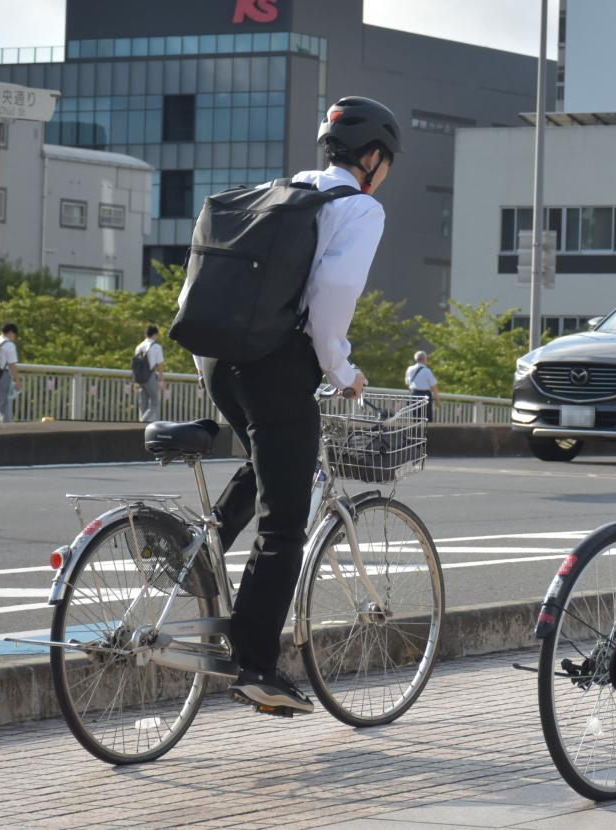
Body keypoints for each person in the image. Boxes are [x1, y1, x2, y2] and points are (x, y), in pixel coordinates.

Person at [188, 96, 398, 714]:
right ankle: (253, 665)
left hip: (216, 358)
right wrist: (345, 371)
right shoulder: (359, 207)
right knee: (286, 524)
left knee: (269, 461)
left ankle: (195, 555)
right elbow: (332, 296)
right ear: (373, 157)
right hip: (274, 365)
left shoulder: (283, 190)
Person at [134, 324, 166, 423]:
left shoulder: (139, 347)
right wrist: (161, 379)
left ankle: (140, 425)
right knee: (155, 401)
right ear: (155, 334)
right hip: (150, 376)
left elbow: (135, 364)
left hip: (139, 377)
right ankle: (143, 422)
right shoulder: (156, 346)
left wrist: (135, 380)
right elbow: (159, 364)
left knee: (142, 402)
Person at [405, 350, 439, 421]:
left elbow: (407, 382)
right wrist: (437, 400)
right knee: (426, 419)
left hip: (413, 394)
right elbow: (434, 386)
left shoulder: (410, 369)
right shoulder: (427, 371)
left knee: (415, 418)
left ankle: (415, 431)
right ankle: (426, 432)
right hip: (425, 395)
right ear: (424, 359)